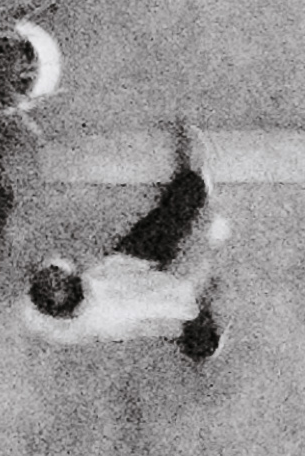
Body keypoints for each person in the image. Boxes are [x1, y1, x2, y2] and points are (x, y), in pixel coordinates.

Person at [24, 137, 226, 361]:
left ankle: (193, 184)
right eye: (58, 278)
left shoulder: (49, 317)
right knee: (170, 223)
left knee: (162, 224)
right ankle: (197, 183)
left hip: (128, 267)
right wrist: (213, 236)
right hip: (139, 275)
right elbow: (188, 280)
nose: (55, 272)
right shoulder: (126, 303)